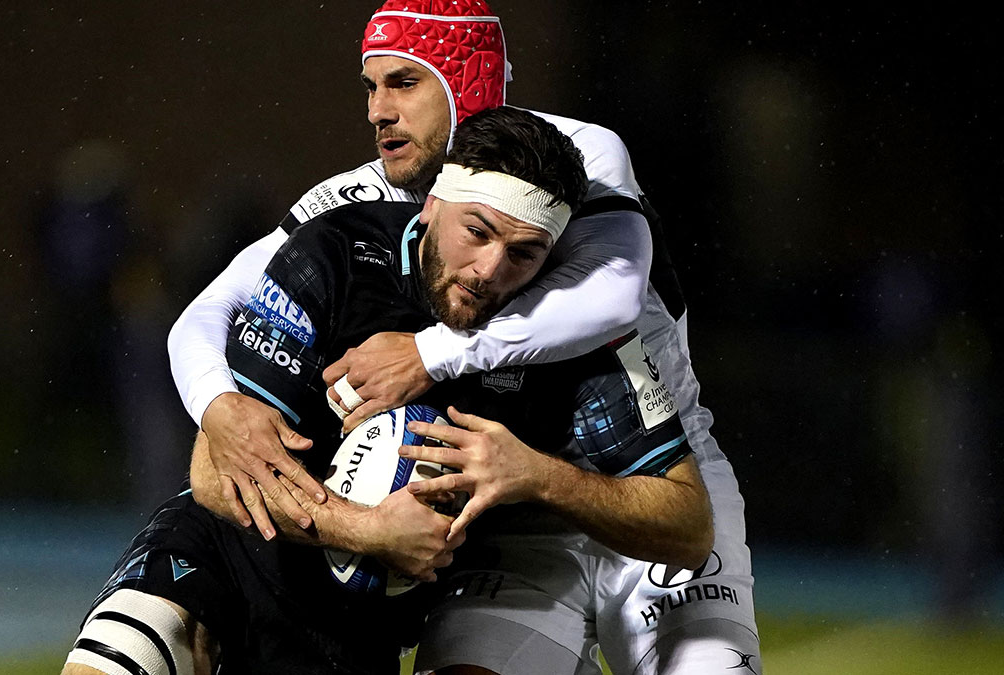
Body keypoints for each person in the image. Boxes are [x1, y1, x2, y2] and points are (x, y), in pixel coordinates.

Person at [168, 2, 761, 673]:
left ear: (466, 79)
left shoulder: (572, 157)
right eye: (371, 87)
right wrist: (223, 407)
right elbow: (205, 313)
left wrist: (428, 355)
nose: (378, 111)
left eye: (404, 83)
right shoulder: (353, 202)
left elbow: (612, 296)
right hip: (507, 506)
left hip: (650, 472)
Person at [63, 107, 708, 675]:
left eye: (526, 253)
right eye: (476, 232)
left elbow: (687, 525)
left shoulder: (570, 330)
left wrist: (536, 474)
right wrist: (367, 530)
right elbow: (213, 472)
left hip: (358, 629)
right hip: (225, 561)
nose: (490, 271)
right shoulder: (336, 254)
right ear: (431, 205)